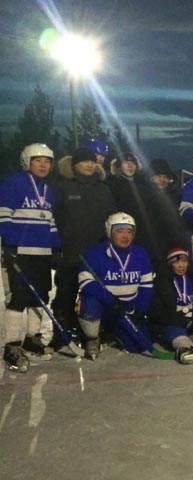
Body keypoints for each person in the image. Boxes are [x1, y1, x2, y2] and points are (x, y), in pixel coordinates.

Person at [0, 143, 59, 371]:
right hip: (20, 252)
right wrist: (8, 244)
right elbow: (3, 214)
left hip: (42, 253)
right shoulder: (13, 184)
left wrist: (56, 246)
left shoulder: (48, 190)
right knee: (18, 298)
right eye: (38, 160)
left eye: (47, 161)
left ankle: (31, 339)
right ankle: (12, 346)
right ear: (27, 161)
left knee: (40, 297)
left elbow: (50, 220)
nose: (43, 165)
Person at [51, 147, 116, 347]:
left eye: (92, 161)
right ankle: (62, 334)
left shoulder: (104, 189)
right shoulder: (63, 187)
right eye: (84, 162)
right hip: (71, 253)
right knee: (66, 296)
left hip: (97, 255)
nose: (89, 165)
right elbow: (53, 218)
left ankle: (96, 332)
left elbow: (111, 219)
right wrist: (56, 247)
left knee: (96, 294)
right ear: (74, 165)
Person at [77, 213, 154, 360]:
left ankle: (114, 333)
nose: (125, 236)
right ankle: (92, 337)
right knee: (89, 303)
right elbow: (85, 282)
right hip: (106, 306)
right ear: (109, 232)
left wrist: (140, 310)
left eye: (129, 231)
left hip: (126, 309)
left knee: (139, 345)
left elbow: (146, 285)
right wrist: (110, 300)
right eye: (120, 231)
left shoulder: (140, 253)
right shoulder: (95, 253)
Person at [148, 247, 193, 364]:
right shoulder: (161, 283)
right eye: (177, 262)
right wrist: (178, 319)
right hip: (173, 323)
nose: (181, 265)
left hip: (192, 322)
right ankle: (186, 348)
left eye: (184, 261)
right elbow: (156, 312)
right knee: (174, 331)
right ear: (170, 264)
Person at [107, 152, 169, 265]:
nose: (130, 166)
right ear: (119, 166)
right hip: (122, 232)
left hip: (145, 233)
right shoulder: (112, 185)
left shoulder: (145, 185)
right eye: (126, 163)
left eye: (133, 163)